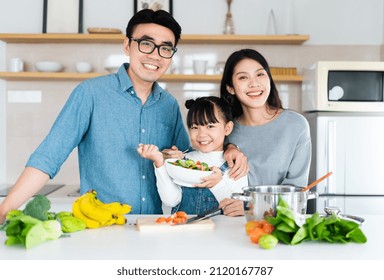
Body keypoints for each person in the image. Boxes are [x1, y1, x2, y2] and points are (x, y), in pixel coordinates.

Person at [0, 9, 246, 224]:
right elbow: (47, 158)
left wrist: (230, 147)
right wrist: (4, 210)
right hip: (101, 223)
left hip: (154, 224)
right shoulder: (90, 93)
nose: (155, 55)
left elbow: (187, 158)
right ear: (127, 46)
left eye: (166, 48)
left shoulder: (168, 105)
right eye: (146, 43)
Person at [137, 96, 248, 216]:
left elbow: (236, 209)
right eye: (195, 127)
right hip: (184, 230)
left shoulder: (236, 165)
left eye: (210, 126)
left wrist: (217, 184)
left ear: (227, 128)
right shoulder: (183, 161)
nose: (201, 134)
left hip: (219, 231)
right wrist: (159, 163)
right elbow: (170, 200)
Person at [219, 49, 311, 189]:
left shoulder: (295, 125)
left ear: (269, 79)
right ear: (230, 88)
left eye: (260, 74)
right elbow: (204, 166)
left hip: (282, 211)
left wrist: (249, 205)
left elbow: (296, 188)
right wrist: (227, 147)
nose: (254, 83)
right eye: (243, 77)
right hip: (229, 211)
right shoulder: (225, 130)